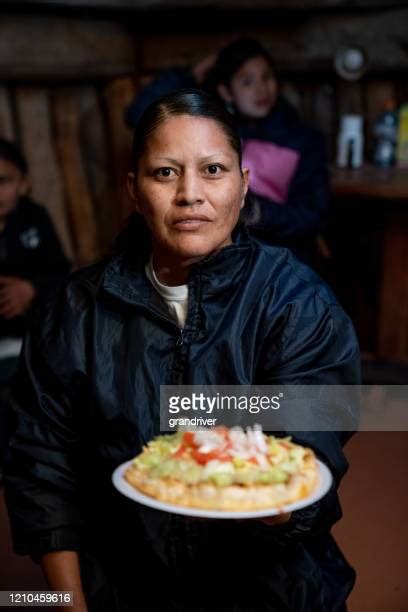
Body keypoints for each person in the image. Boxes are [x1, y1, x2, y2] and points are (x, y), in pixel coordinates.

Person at [4, 90, 359, 612]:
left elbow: (310, 451)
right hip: (124, 586)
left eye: (213, 170)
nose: (190, 193)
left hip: (269, 589)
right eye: (165, 173)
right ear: (133, 188)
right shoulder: (75, 309)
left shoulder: (298, 303)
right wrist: (68, 601)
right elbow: (42, 465)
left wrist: (257, 485)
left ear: (244, 182)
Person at [125, 38, 329, 264]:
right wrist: (194, 74)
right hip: (208, 251)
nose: (262, 89)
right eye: (247, 82)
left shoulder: (302, 139)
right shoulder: (210, 129)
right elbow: (139, 115)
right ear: (226, 91)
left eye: (267, 77)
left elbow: (312, 216)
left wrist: (256, 211)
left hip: (273, 254)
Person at [0, 139, 70, 473]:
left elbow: (60, 272)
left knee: (35, 393)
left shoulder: (34, 218)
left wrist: (30, 288)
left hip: (32, 338)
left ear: (24, 183)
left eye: (4, 181)